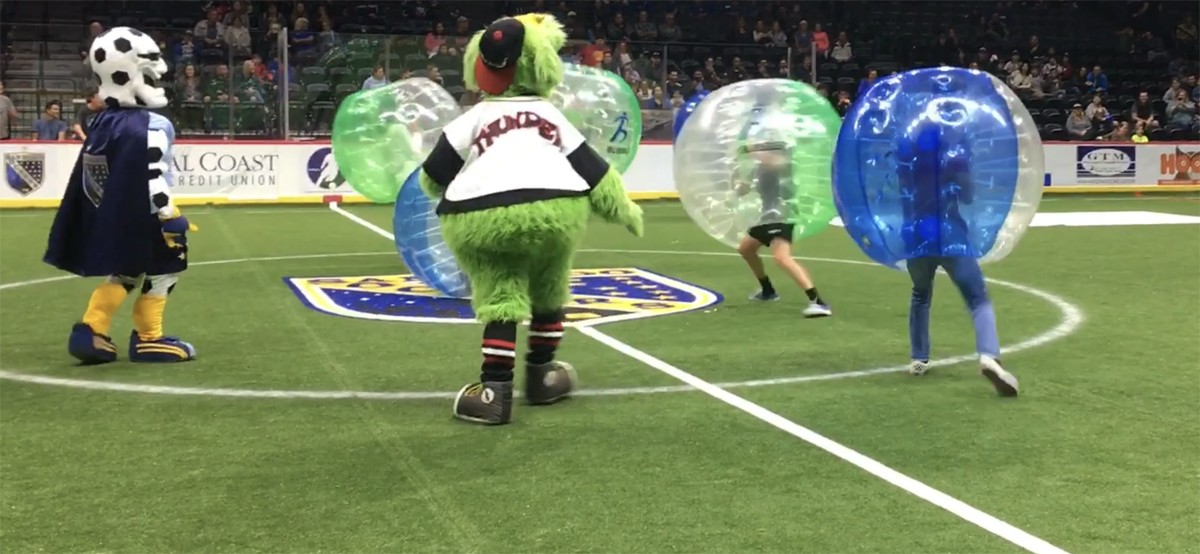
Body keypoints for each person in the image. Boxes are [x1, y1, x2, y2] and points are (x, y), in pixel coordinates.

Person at [43, 26, 197, 364]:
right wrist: (170, 215)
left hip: (114, 212)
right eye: (151, 62)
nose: (160, 71)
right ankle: (149, 338)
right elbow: (151, 175)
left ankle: (90, 328)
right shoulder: (152, 125)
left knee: (126, 271)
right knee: (166, 270)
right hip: (143, 215)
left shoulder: (103, 121)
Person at [901, 135, 1018, 397]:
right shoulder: (953, 157)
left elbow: (904, 195)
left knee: (920, 294)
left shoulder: (907, 158)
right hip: (950, 235)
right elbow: (967, 196)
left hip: (916, 236)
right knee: (978, 299)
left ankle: (919, 358)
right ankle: (989, 355)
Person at [734, 141, 832, 317]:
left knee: (782, 257)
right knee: (746, 249)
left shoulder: (783, 163)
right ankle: (767, 290)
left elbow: (773, 160)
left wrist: (751, 150)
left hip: (782, 216)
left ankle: (818, 302)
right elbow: (743, 190)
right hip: (766, 217)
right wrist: (739, 178)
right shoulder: (759, 167)